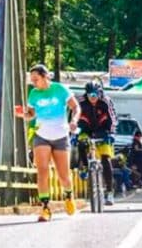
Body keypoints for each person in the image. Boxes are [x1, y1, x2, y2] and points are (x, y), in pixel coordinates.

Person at [15, 64, 79, 222]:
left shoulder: (60, 89)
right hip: (41, 134)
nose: (34, 83)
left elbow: (76, 107)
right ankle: (45, 208)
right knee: (42, 171)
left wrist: (74, 120)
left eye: (36, 79)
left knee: (63, 176)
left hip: (60, 135)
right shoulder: (33, 94)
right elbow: (31, 114)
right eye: (32, 80)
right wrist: (23, 114)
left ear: (46, 77)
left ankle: (69, 195)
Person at [76, 80, 117, 206]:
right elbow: (73, 117)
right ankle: (83, 166)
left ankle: (109, 192)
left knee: (106, 159)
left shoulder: (106, 101)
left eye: (95, 95)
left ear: (100, 93)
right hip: (86, 129)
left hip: (102, 130)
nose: (92, 98)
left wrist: (111, 133)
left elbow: (113, 119)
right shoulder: (81, 102)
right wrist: (73, 133)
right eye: (89, 95)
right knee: (81, 143)